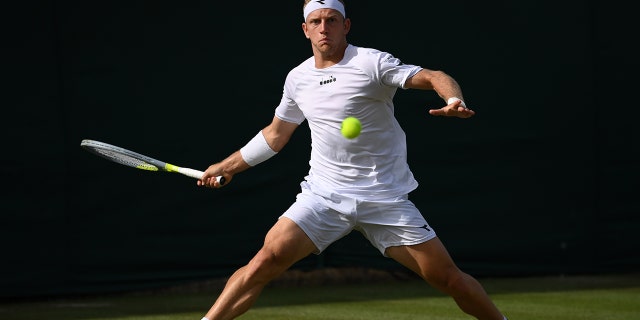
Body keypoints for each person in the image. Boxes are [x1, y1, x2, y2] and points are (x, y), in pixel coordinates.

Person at [197, 0, 508, 319]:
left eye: (331, 20)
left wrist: (453, 99)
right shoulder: (297, 79)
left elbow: (432, 76)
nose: (323, 27)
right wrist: (226, 166)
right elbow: (276, 135)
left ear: (346, 25)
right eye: (315, 21)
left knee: (448, 278)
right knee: (264, 261)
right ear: (305, 30)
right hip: (323, 197)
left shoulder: (371, 63)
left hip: (384, 198)